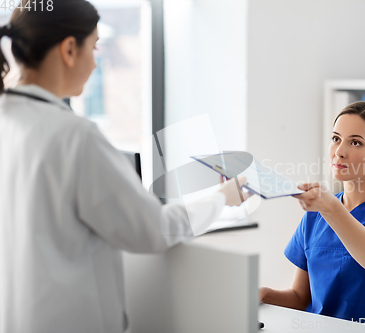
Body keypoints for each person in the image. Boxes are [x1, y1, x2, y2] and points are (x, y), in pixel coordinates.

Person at [0, 1, 250, 332]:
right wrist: (222, 198)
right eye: (95, 46)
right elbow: (153, 230)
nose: (96, 61)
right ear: (70, 49)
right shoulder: (75, 136)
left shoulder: (9, 121)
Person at [259, 101, 365, 331]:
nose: (339, 151)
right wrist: (263, 295)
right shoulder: (315, 215)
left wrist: (330, 208)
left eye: (355, 142)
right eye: (336, 139)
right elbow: (300, 298)